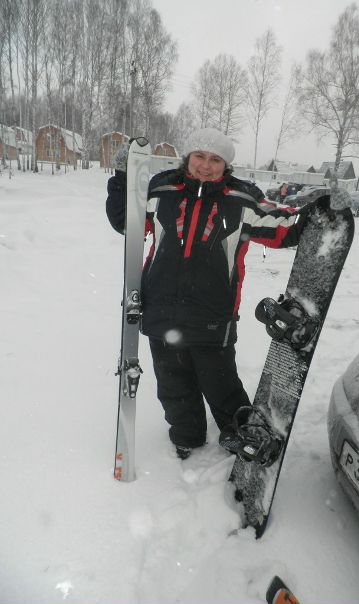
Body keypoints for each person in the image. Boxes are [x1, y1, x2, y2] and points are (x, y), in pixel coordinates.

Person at [106, 128, 312, 460]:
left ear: (225, 165)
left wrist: (320, 211)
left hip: (213, 317)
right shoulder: (162, 189)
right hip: (160, 311)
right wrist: (121, 177)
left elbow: (282, 229)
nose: (205, 165)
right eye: (199, 156)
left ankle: (244, 436)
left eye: (215, 159)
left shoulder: (242, 199)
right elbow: (125, 221)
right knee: (173, 388)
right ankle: (186, 437)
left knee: (221, 386)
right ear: (187, 157)